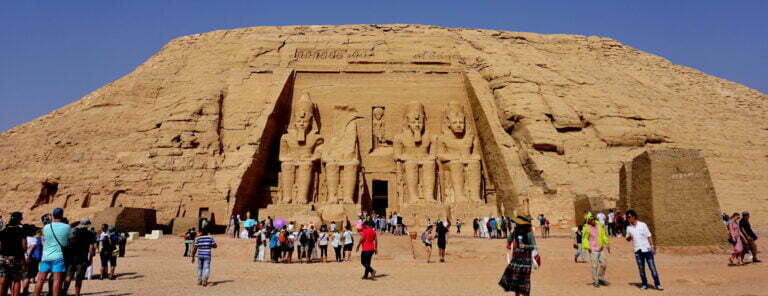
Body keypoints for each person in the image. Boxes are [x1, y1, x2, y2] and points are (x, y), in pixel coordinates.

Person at [34, 208, 71, 296]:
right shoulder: (67, 227)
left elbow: (44, 240)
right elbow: (70, 241)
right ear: (62, 215)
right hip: (58, 256)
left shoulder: (46, 227)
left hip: (46, 256)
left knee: (40, 280)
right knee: (57, 280)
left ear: (53, 215)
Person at [625, 210, 663, 290]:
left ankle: (657, 284)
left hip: (647, 249)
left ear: (634, 217)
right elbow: (627, 238)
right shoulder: (628, 228)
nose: (628, 219)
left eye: (629, 217)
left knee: (652, 268)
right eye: (627, 217)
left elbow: (649, 236)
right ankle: (644, 284)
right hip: (637, 250)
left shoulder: (642, 225)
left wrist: (652, 246)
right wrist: (629, 237)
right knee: (641, 269)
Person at [499, 216, 536, 296]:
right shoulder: (516, 231)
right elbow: (509, 241)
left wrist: (525, 246)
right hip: (516, 260)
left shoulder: (529, 232)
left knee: (525, 282)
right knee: (516, 282)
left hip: (525, 262)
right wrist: (512, 231)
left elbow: (533, 246)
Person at [63, 218, 96, 296]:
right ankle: (77, 294)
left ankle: (64, 292)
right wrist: (90, 259)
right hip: (82, 258)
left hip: (71, 257)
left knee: (68, 276)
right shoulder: (89, 234)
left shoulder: (74, 232)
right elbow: (91, 248)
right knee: (79, 277)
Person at [0, 212, 27, 296]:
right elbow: (23, 246)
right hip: (16, 258)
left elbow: (0, 245)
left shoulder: (4, 229)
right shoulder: (21, 230)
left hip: (3, 258)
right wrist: (23, 259)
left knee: (3, 280)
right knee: (16, 280)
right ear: (19, 220)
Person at [582, 214, 610, 287]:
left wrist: (607, 243)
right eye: (591, 220)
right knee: (594, 266)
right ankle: (596, 281)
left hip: (600, 248)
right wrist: (587, 247)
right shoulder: (587, 228)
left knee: (604, 264)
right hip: (593, 249)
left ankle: (600, 278)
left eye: (593, 219)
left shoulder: (599, 227)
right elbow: (584, 239)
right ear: (588, 221)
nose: (593, 220)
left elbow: (603, 235)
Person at [22, 227, 42, 295]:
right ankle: (25, 291)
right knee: (27, 277)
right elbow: (32, 249)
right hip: (30, 259)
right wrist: (28, 256)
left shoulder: (23, 238)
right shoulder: (33, 239)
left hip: (22, 258)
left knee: (23, 276)